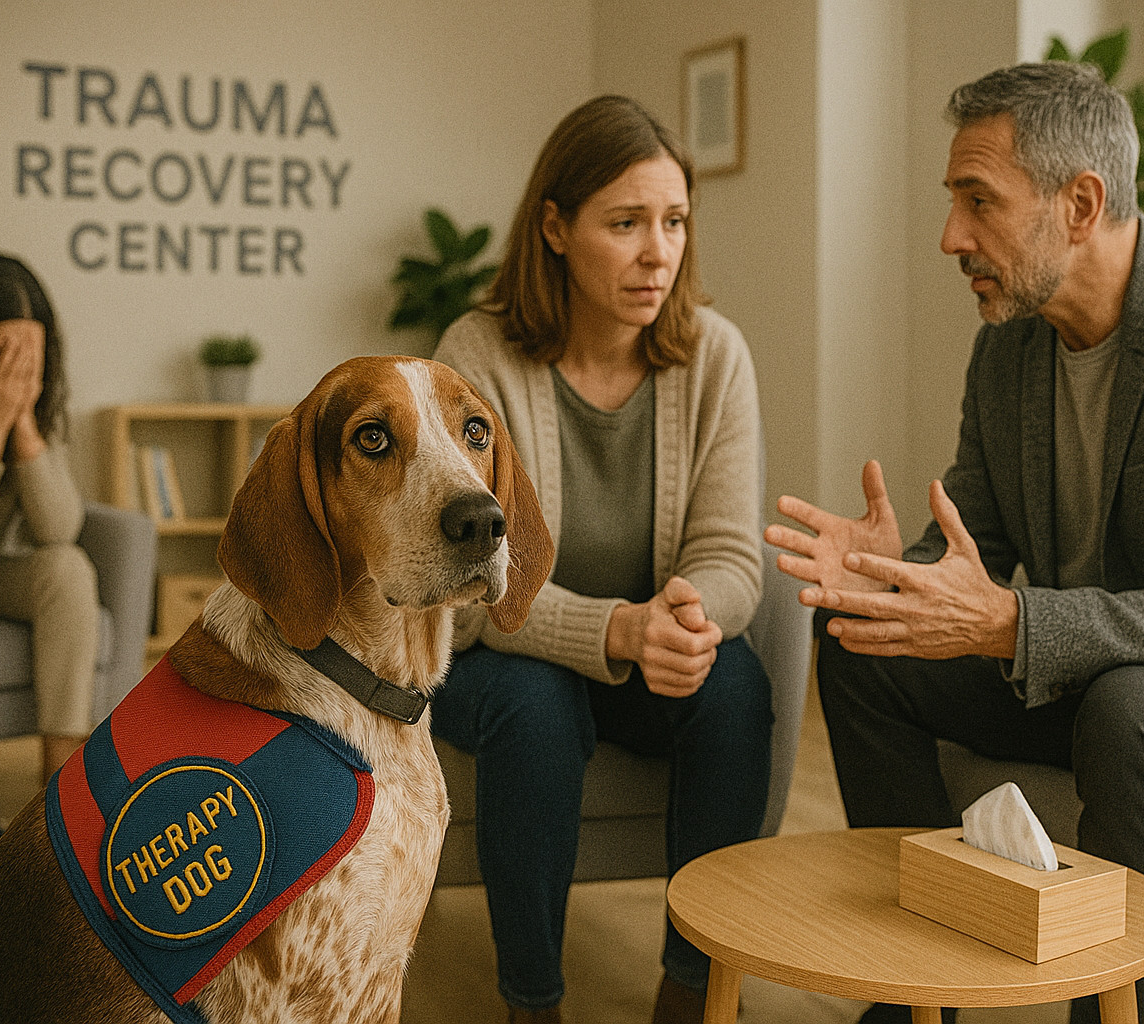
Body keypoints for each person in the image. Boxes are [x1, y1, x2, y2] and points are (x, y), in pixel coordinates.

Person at [765, 62, 1144, 1024]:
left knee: (1136, 711)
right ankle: (921, 990)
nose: (950, 236)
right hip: (1095, 673)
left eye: (979, 201)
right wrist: (888, 578)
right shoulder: (1009, 348)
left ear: (1080, 203)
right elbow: (972, 545)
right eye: (953, 201)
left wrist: (1008, 623)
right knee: (862, 647)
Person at [430, 95, 771, 1024]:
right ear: (554, 227)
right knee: (538, 707)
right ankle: (532, 1003)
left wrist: (689, 617)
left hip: (640, 650)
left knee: (734, 687)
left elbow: (732, 552)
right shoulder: (477, 357)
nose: (659, 252)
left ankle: (694, 994)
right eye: (625, 223)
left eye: (673, 221)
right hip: (493, 657)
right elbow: (466, 590)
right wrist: (610, 627)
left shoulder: (715, 355)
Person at [0, 253, 99, 858]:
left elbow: (61, 527)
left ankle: (59, 785)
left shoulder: (35, 404)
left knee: (68, 567)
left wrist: (23, 424)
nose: (11, 370)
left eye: (24, 355)